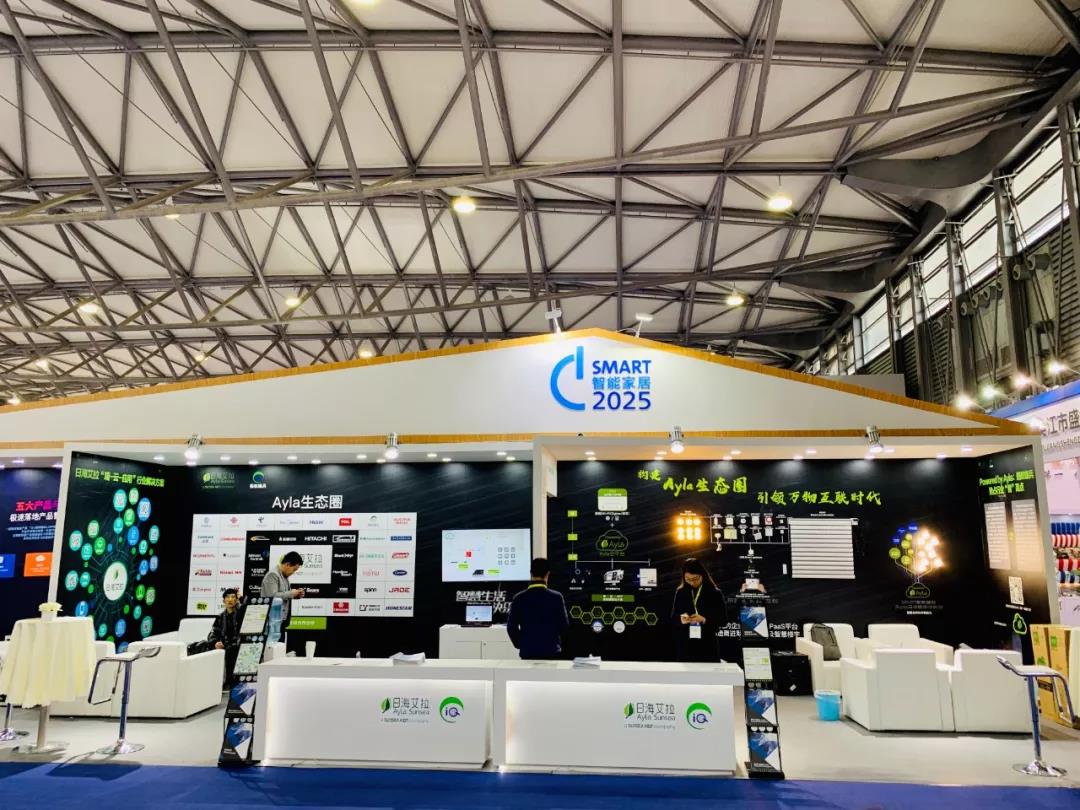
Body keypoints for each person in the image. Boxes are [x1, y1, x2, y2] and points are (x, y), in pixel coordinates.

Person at [507, 557, 569, 660]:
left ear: (531, 573)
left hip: (528, 652)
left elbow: (511, 627)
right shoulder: (556, 597)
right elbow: (564, 626)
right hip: (551, 652)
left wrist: (521, 644)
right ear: (547, 575)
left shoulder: (519, 598)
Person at [670, 558, 727, 662]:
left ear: (702, 575)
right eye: (688, 579)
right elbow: (673, 618)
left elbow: (723, 620)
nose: (692, 582)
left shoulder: (715, 593)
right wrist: (681, 619)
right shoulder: (681, 592)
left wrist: (704, 620)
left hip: (708, 644)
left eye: (695, 578)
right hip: (686, 646)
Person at [260, 550, 305, 624]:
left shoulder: (284, 576)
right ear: (287, 564)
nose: (293, 573)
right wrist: (291, 593)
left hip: (279, 619)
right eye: (294, 570)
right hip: (271, 620)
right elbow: (271, 597)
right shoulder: (273, 574)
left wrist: (295, 595)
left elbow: (284, 595)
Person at [209, 588, 242, 683]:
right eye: (227, 597)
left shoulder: (241, 615)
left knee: (232, 650)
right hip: (223, 645)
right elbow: (213, 633)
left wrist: (241, 599)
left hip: (237, 646)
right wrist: (215, 643)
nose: (230, 599)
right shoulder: (220, 617)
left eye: (233, 597)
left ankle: (230, 681)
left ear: (236, 600)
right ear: (224, 601)